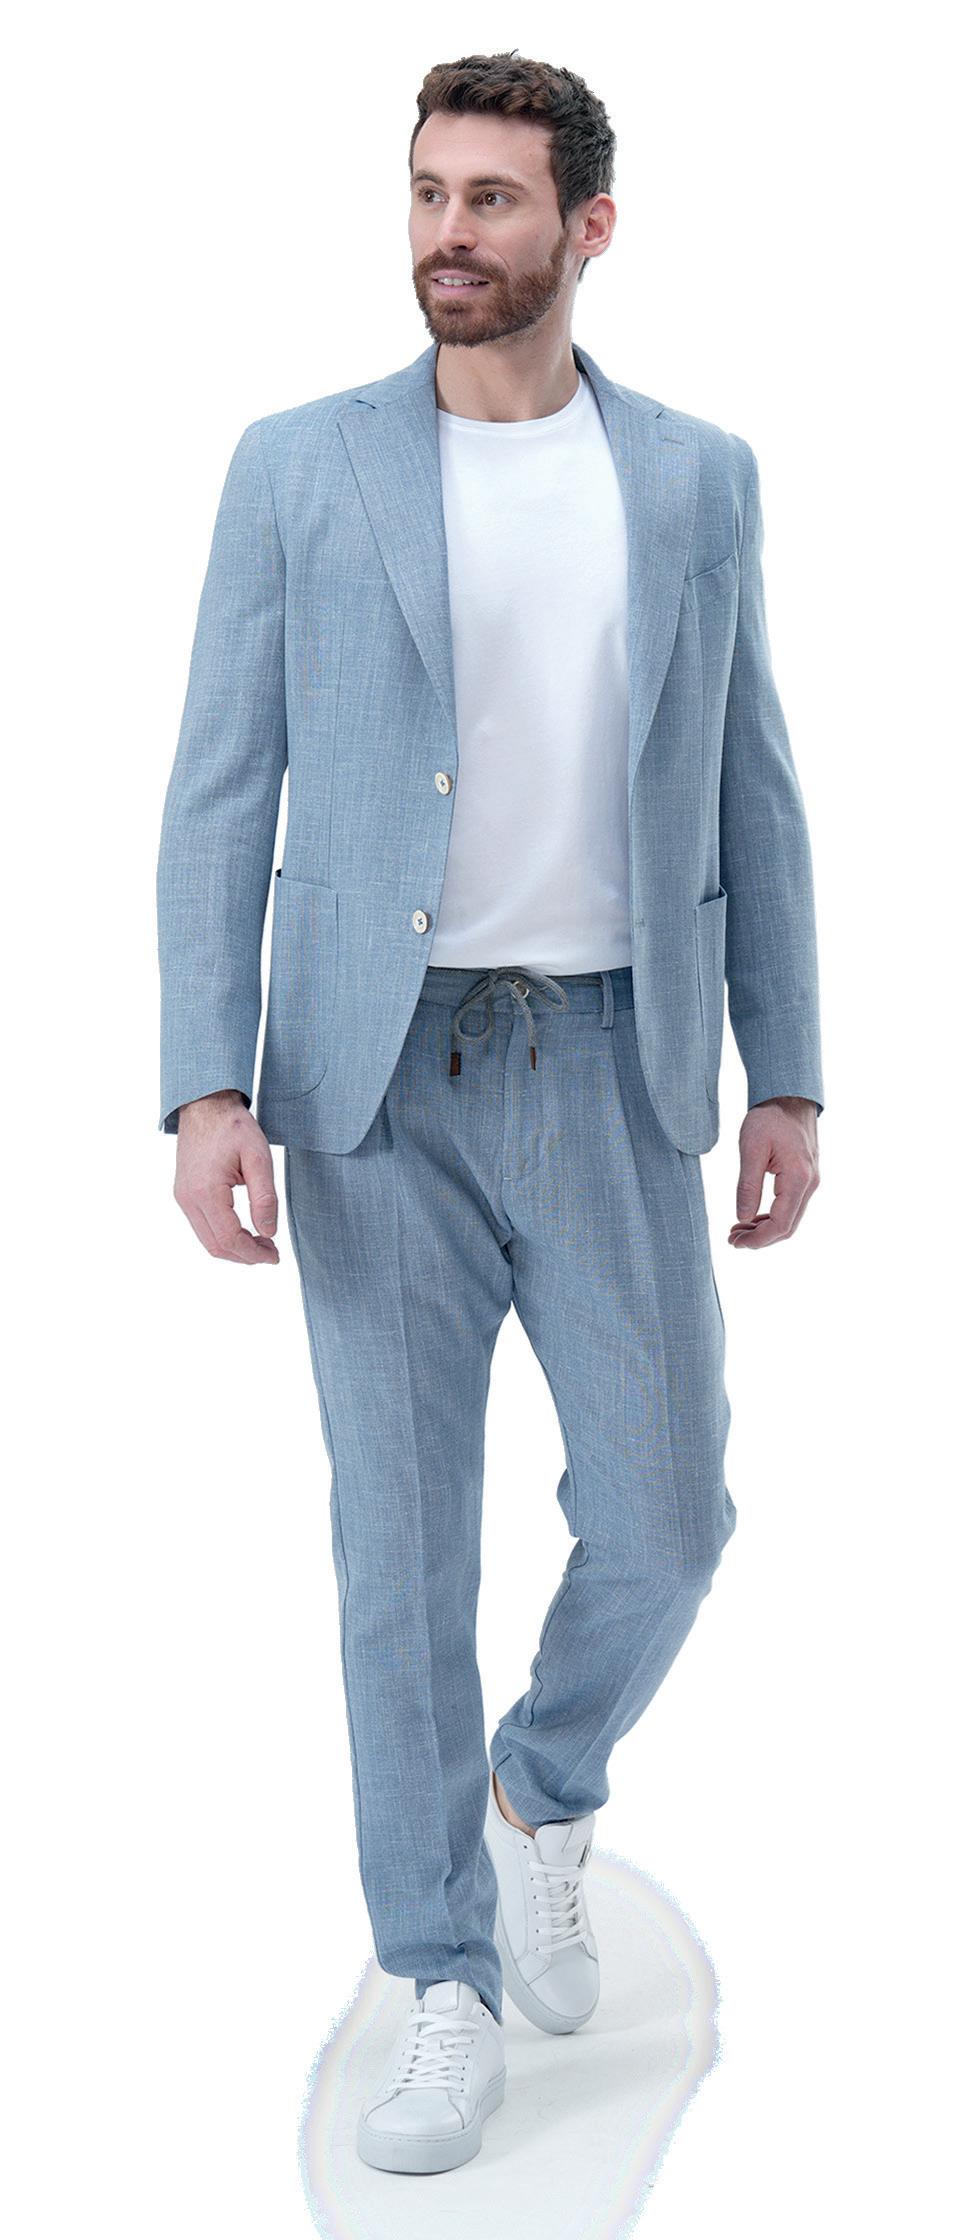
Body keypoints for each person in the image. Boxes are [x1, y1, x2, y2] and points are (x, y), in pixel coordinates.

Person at [156, 52, 824, 2177]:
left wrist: (791, 1066)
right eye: (431, 193)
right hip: (372, 1082)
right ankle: (436, 1971)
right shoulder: (300, 466)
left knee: (671, 1515)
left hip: (618, 1063)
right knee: (400, 1554)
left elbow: (754, 782)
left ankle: (545, 1786)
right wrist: (203, 1083)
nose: (451, 232)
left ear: (586, 228)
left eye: (496, 200)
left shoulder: (696, 478)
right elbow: (219, 787)